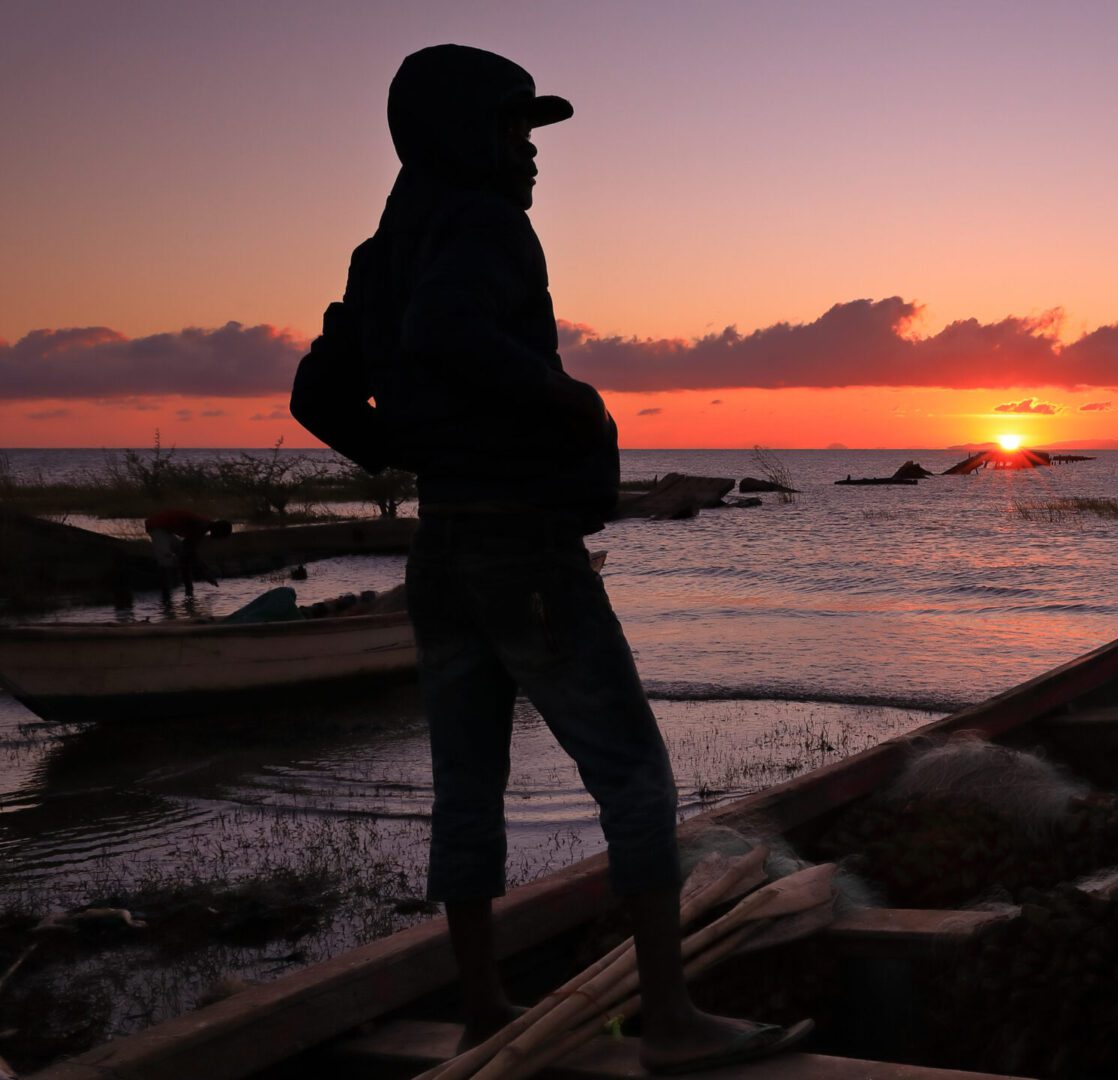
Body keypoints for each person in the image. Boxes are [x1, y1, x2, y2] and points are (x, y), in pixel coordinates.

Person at [289, 44, 803, 1072]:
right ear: (466, 135)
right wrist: (579, 405)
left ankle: (483, 1004)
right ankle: (668, 1020)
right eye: (518, 130)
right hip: (519, 540)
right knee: (634, 772)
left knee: (465, 781)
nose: (533, 156)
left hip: (441, 544)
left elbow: (318, 398)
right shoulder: (487, 225)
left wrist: (416, 446)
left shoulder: (378, 250)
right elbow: (448, 329)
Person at [142, 508, 231, 594]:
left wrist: (203, 569)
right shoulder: (201, 526)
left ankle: (177, 592)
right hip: (156, 526)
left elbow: (188, 552)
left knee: (181, 553)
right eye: (221, 535)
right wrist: (203, 574)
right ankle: (166, 596)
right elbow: (188, 553)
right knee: (166, 560)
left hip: (165, 529)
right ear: (218, 529)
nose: (219, 538)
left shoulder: (204, 525)